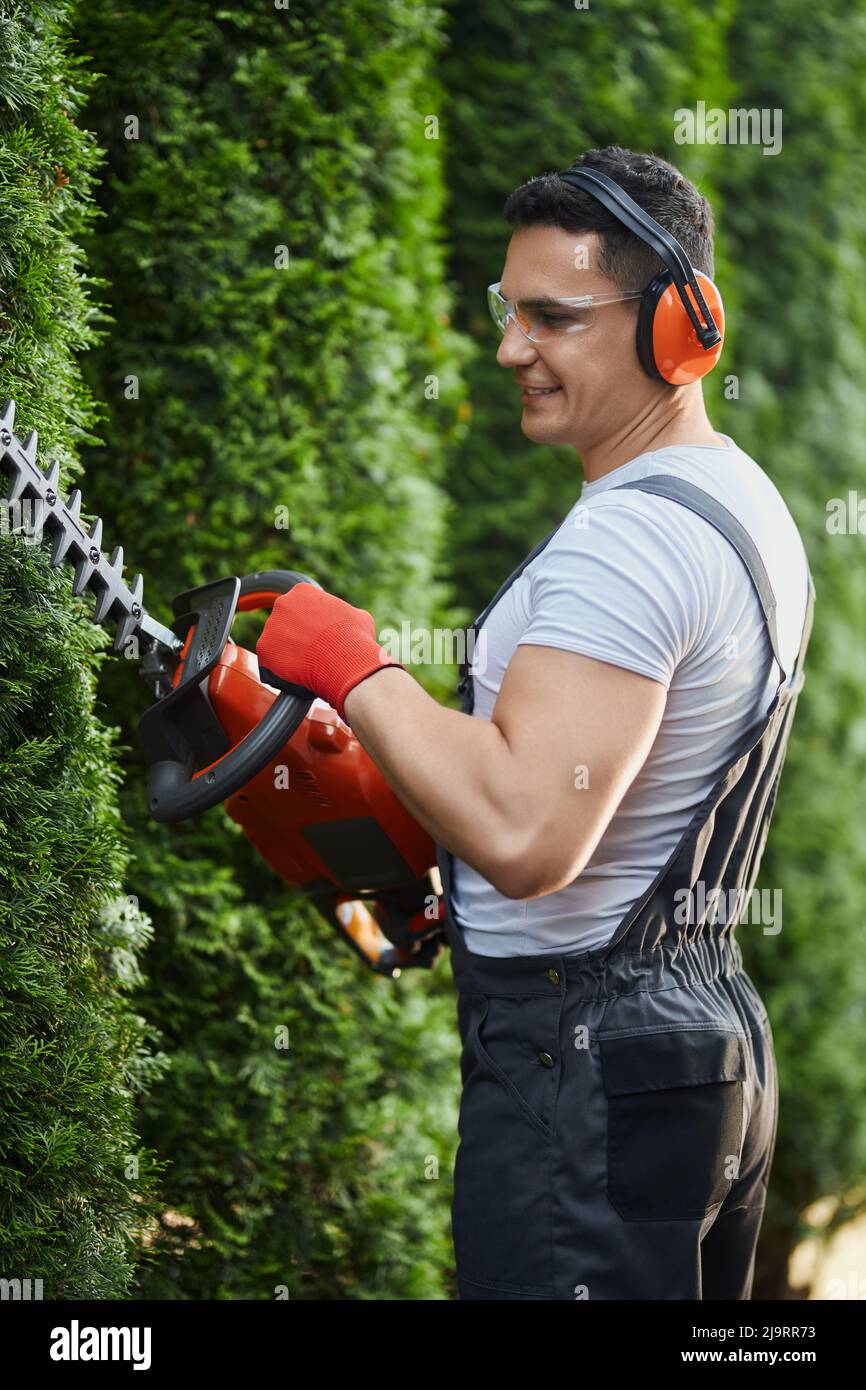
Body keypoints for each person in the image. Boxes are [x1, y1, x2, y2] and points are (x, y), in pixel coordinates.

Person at [255, 146, 815, 1300]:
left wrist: (354, 670)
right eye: (508, 313)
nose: (512, 349)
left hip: (582, 1071)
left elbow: (524, 829)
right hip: (691, 1039)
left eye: (553, 319)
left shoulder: (628, 542)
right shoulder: (736, 495)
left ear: (678, 329)